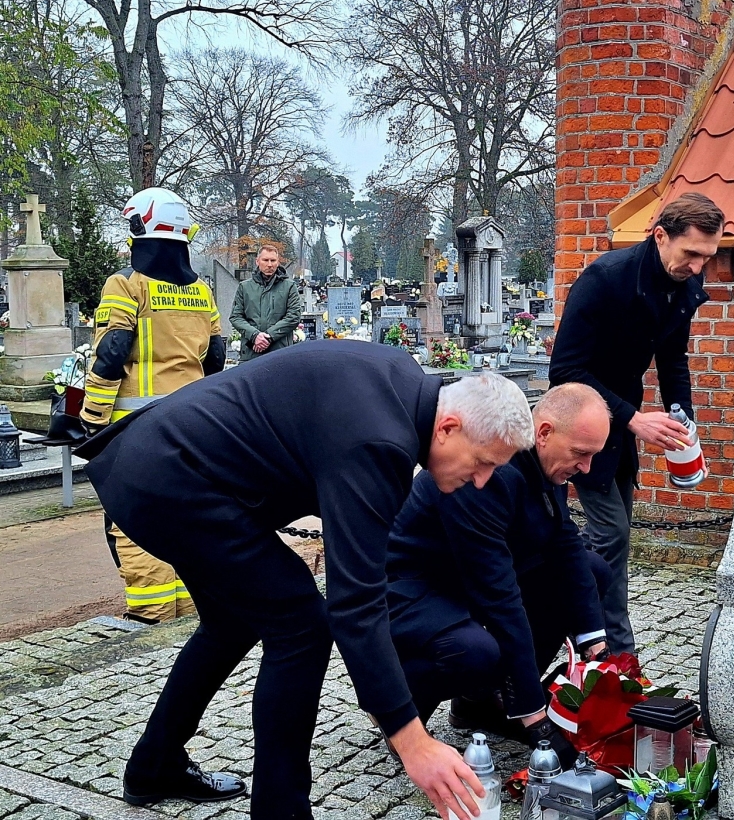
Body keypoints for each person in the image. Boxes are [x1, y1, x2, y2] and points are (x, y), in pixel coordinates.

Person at [76, 348, 534, 820]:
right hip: (171, 480)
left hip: (159, 464)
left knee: (232, 622)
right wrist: (412, 740)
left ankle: (155, 764)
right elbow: (356, 605)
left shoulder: (403, 387)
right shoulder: (380, 442)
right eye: (482, 463)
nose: (482, 481)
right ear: (449, 427)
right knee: (301, 628)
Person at [385, 383, 613, 764]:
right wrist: (535, 716)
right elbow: (500, 597)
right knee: (476, 652)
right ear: (543, 434)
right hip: (416, 588)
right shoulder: (489, 471)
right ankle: (400, 715)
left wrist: (597, 644)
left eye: (593, 456)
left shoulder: (544, 462)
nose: (586, 468)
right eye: (580, 454)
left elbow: (563, 542)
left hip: (474, 574)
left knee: (593, 571)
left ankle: (484, 703)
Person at [548, 192, 724, 656]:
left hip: (622, 426)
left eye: (708, 257)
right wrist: (633, 419)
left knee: (613, 538)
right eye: (691, 254)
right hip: (581, 428)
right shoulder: (604, 279)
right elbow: (564, 370)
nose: (698, 267)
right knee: (609, 535)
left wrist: (681, 411)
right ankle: (607, 649)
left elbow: (672, 359)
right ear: (660, 236)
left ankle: (590, 634)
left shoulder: (682, 285)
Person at [82, 187, 225, 623]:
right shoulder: (201, 291)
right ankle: (189, 609)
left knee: (133, 520)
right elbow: (215, 358)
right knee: (185, 515)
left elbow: (112, 352)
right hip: (194, 426)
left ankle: (152, 616)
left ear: (140, 227)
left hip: (134, 430)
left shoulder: (125, 284)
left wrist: (92, 420)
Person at [229, 242, 302, 360]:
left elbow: (293, 316)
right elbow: (236, 317)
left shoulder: (289, 286)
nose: (269, 265)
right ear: (257, 261)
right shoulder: (245, 287)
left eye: (273, 261)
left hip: (279, 351)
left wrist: (269, 336)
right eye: (265, 260)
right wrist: (254, 335)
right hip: (251, 352)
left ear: (278, 262)